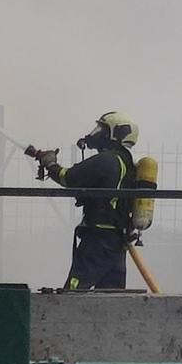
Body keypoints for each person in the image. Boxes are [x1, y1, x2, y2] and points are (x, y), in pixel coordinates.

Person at [39, 110, 145, 291]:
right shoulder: (127, 162)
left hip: (98, 239)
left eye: (101, 129)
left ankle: (65, 316)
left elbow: (69, 178)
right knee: (111, 293)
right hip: (117, 239)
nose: (95, 134)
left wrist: (50, 164)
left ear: (115, 134)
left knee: (75, 288)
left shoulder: (106, 161)